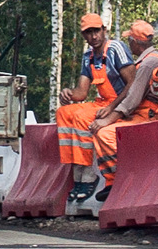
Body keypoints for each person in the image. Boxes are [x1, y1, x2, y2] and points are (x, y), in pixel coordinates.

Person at [56, 13, 136, 203]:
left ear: (104, 30)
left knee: (82, 118)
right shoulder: (88, 57)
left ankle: (89, 175)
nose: (93, 36)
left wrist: (113, 108)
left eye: (96, 31)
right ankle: (77, 169)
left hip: (121, 103)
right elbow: (81, 93)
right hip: (103, 102)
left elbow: (133, 83)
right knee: (64, 113)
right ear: (84, 35)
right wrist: (68, 93)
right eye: (88, 33)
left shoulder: (116, 49)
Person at [89, 20, 158, 202]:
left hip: (146, 115)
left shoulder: (148, 63)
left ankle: (118, 178)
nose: (129, 44)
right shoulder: (147, 61)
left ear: (136, 42)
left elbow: (133, 99)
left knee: (105, 134)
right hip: (141, 113)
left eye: (130, 40)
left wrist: (109, 119)